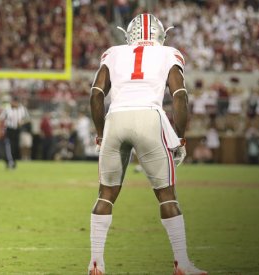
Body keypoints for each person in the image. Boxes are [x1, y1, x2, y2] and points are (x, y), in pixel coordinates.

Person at [88, 14, 207, 275]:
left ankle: (96, 263)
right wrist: (181, 136)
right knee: (166, 196)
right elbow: (180, 95)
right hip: (148, 117)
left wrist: (100, 133)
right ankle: (182, 264)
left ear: (128, 34)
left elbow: (96, 95)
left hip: (116, 118)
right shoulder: (169, 53)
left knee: (105, 195)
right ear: (160, 34)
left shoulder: (114, 52)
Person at [0, 96, 30, 169]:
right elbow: (1, 119)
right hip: (9, 129)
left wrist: (22, 122)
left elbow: (28, 119)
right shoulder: (7, 109)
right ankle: (10, 162)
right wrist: (0, 130)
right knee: (9, 146)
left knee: (15, 147)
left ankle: (13, 161)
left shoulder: (22, 109)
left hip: (17, 130)